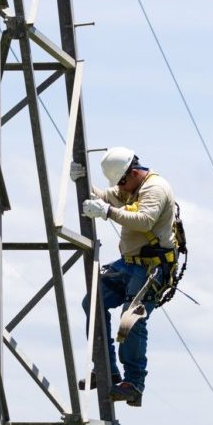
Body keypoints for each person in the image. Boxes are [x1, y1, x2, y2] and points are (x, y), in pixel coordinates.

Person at [78, 147, 178, 407]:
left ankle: (134, 384)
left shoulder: (155, 188)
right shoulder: (128, 187)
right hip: (128, 264)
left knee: (130, 320)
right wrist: (81, 180)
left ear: (134, 173)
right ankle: (106, 371)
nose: (120, 188)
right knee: (92, 302)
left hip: (151, 269)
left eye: (122, 181)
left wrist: (108, 212)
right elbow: (102, 196)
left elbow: (144, 220)